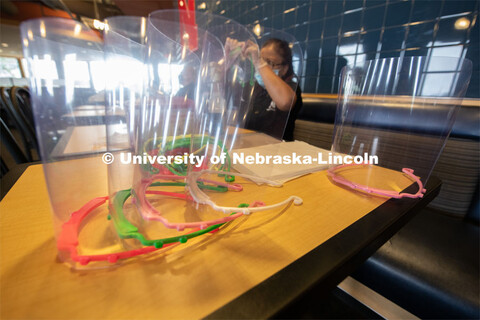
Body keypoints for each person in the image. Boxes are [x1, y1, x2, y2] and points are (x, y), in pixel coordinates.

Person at [243, 38, 303, 141]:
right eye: (261, 59)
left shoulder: (291, 87)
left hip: (277, 151)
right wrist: (227, 60)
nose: (261, 66)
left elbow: (285, 102)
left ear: (284, 69)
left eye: (269, 62)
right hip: (248, 145)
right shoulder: (253, 87)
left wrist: (259, 62)